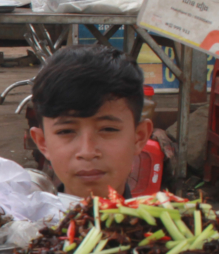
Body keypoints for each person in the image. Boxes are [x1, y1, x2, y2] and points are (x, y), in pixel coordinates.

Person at [26, 45, 152, 198]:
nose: (87, 152)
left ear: (139, 137)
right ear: (43, 142)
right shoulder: (26, 221)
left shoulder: (175, 221)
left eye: (108, 129)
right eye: (66, 131)